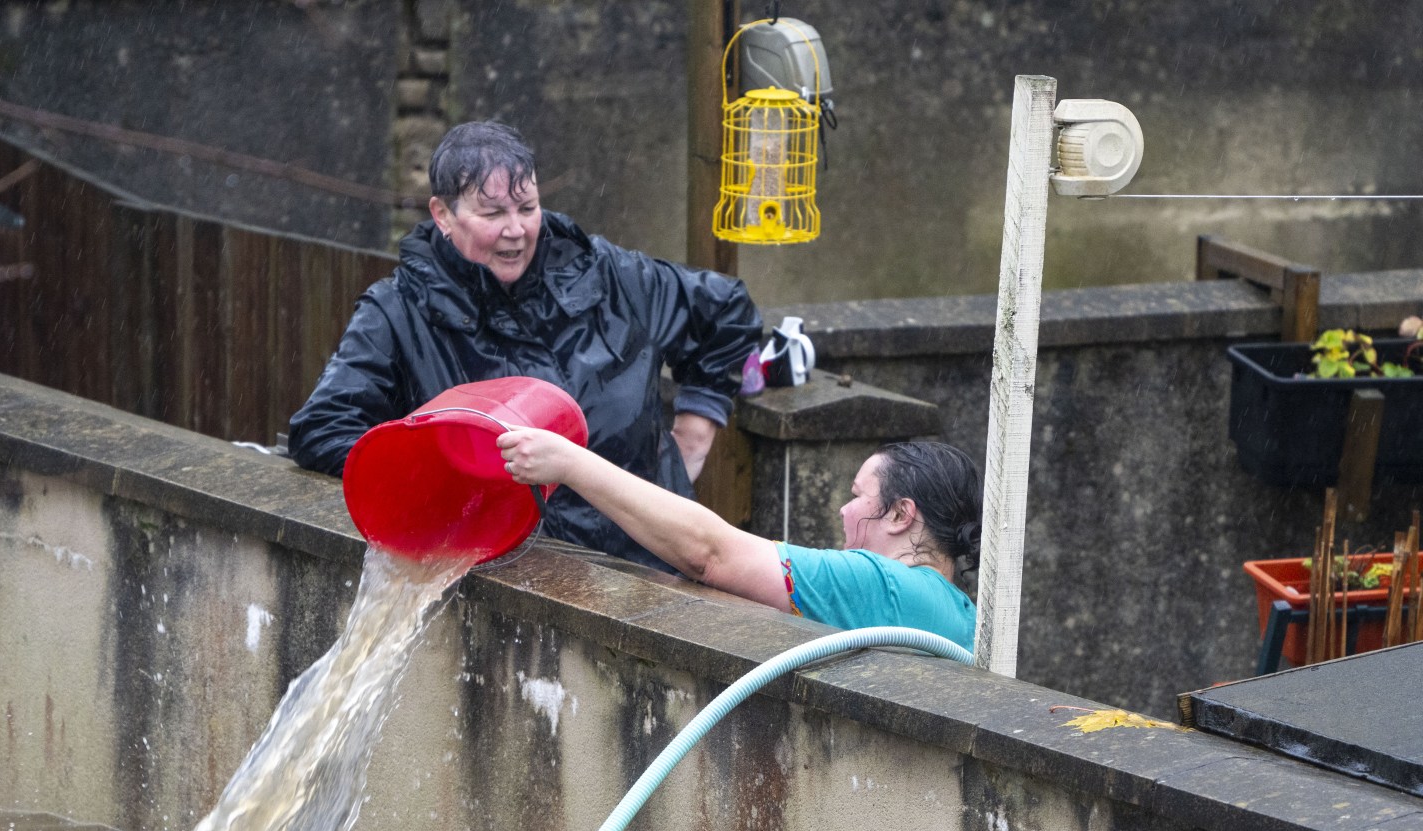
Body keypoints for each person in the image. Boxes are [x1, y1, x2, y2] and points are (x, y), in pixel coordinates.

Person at [287, 120, 763, 568]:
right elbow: (323, 430)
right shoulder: (397, 312)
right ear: (443, 215)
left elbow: (726, 310)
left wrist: (696, 431)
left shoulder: (610, 275)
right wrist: (434, 479)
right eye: (492, 213)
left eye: (527, 208)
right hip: (514, 585)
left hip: (653, 571)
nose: (515, 230)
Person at [496, 432, 982, 649]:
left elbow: (710, 555)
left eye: (857, 496)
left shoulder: (886, 586)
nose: (843, 510)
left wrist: (571, 464)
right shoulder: (959, 611)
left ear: (901, 514)